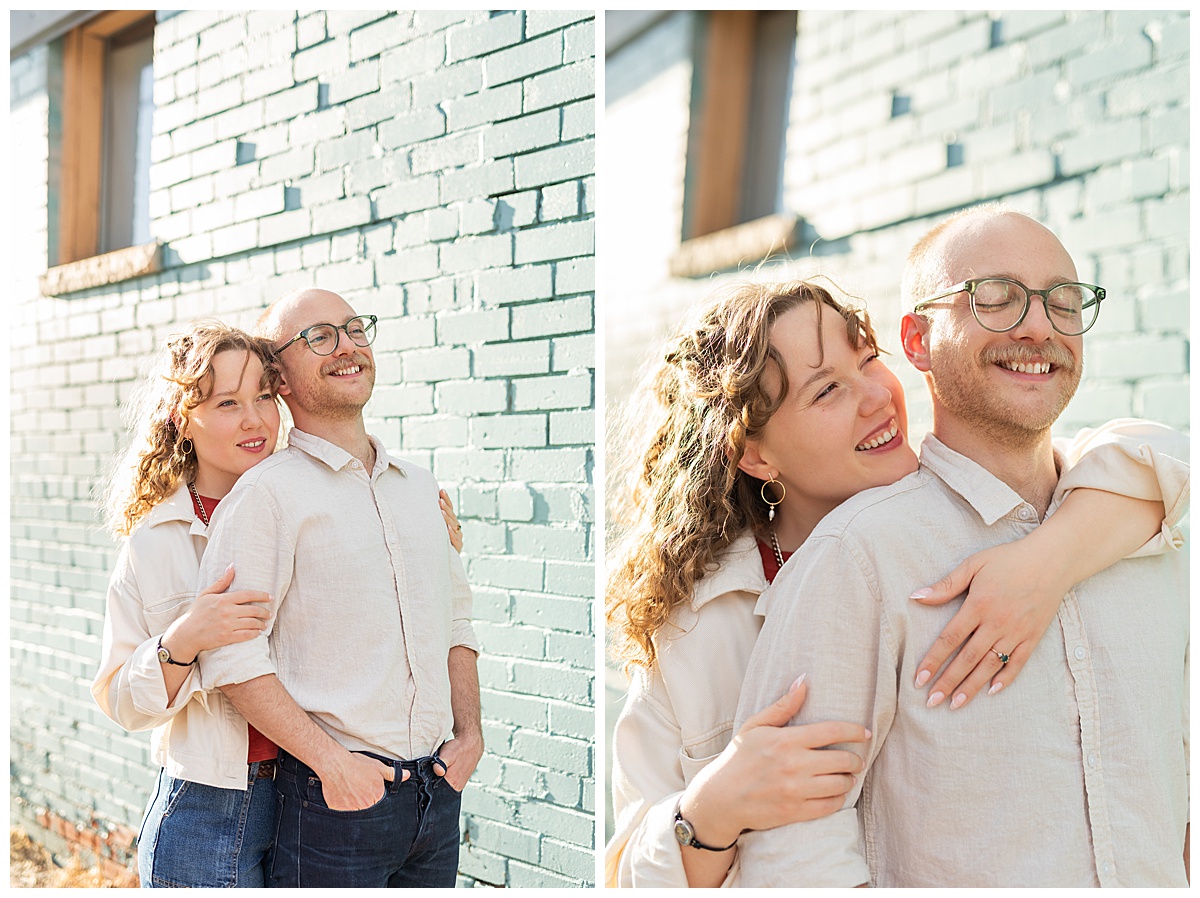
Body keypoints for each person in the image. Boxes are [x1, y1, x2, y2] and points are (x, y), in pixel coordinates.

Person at [605, 274, 1187, 887]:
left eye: (868, 361)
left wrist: (1047, 561)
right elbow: (626, 874)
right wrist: (709, 811)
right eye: (828, 389)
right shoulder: (697, 622)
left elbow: (1153, 459)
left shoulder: (994, 519)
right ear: (754, 453)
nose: (878, 397)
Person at [92, 320, 465, 888]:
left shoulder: (306, 499)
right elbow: (121, 702)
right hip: (212, 804)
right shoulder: (158, 540)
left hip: (305, 793)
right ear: (181, 419)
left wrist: (429, 544)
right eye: (226, 403)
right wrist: (184, 639)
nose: (255, 419)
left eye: (264, 396)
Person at [196, 288, 482, 888]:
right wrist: (333, 765)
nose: (347, 346)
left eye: (355, 329)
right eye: (319, 337)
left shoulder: (418, 485)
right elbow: (231, 653)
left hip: (437, 793)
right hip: (332, 804)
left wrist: (470, 736)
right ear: (280, 378)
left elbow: (456, 619)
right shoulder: (265, 497)